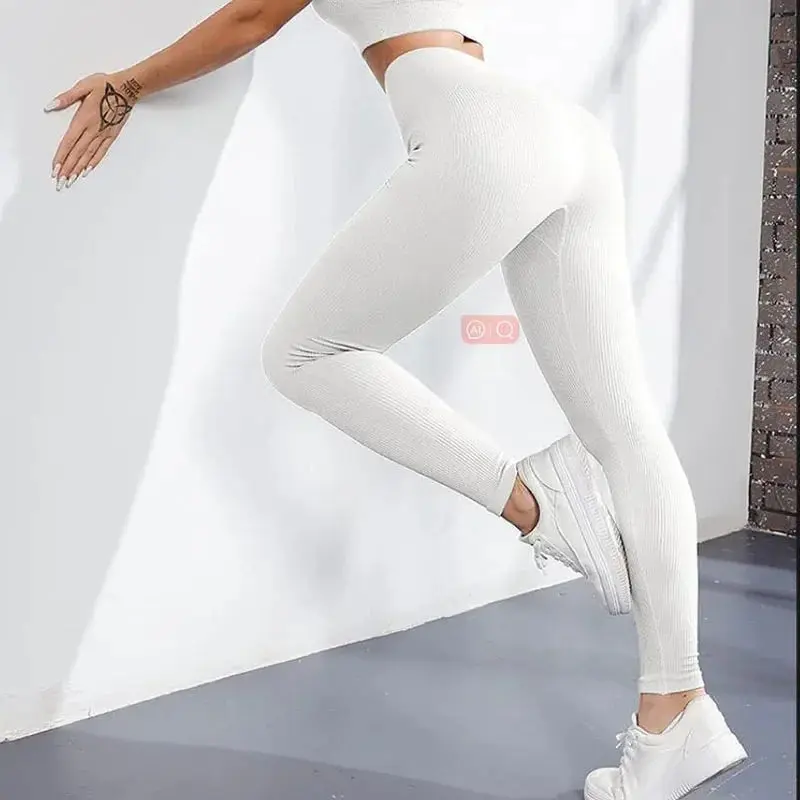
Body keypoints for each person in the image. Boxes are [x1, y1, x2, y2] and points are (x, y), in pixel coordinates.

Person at [44, 1, 748, 797]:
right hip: (564, 133)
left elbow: (252, 17)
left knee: (302, 353)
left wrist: (127, 85)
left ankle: (534, 501)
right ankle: (678, 712)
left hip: (483, 130)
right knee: (629, 431)